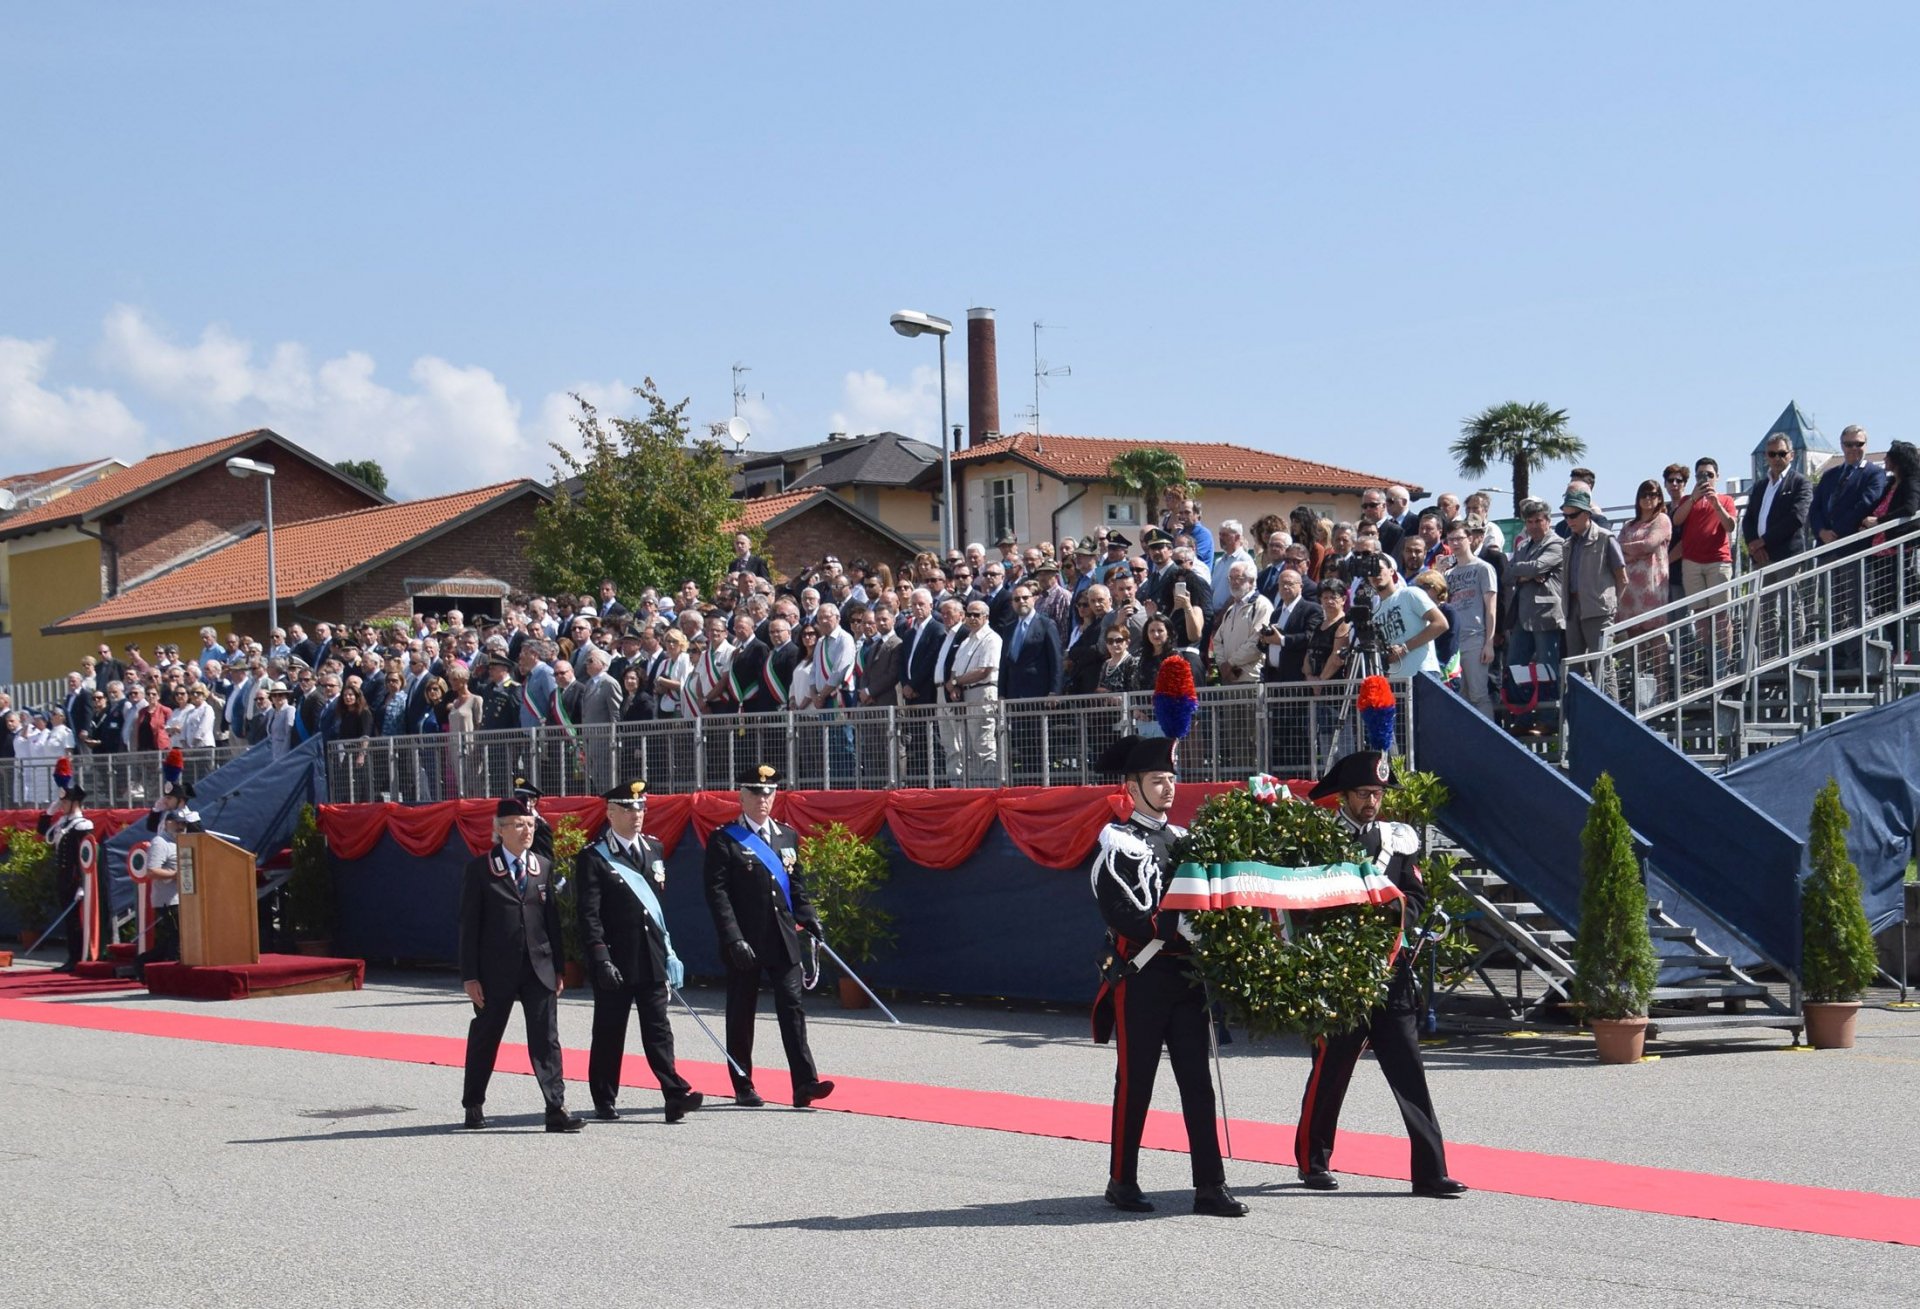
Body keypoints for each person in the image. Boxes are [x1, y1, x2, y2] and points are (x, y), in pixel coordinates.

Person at [1295, 751, 1466, 1198]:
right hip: (1341, 975)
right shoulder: (1320, 838)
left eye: (1377, 794)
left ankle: (1431, 1172)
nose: (1373, 802)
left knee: (1410, 1071)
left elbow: (1415, 896)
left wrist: (1394, 915)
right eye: (1364, 794)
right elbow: (1304, 904)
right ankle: (1314, 1161)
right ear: (1344, 797)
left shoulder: (1397, 840)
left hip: (1391, 973)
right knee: (1330, 1071)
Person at [1089, 733, 1246, 1217]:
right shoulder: (1117, 841)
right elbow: (1123, 913)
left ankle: (1210, 1186)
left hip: (1185, 978)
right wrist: (1179, 925)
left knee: (1198, 1083)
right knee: (1136, 1083)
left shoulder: (1182, 841)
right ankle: (1122, 1180)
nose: (1169, 788)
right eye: (1158, 780)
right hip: (1142, 977)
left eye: (1172, 779)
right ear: (1132, 787)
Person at [703, 764, 832, 1108]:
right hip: (745, 941)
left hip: (782, 938)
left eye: (769, 792)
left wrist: (810, 918)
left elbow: (796, 888)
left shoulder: (787, 836)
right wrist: (732, 938)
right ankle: (743, 1083)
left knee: (792, 1008)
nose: (763, 799)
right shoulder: (724, 838)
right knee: (741, 1013)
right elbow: (718, 895)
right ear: (742, 795)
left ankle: (805, 1083)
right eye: (756, 792)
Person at [576, 780, 703, 1122]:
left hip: (650, 956)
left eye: (641, 808)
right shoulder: (593, 857)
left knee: (658, 1027)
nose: (637, 815)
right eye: (629, 809)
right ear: (610, 812)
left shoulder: (654, 848)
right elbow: (589, 915)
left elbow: (654, 910)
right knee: (609, 1031)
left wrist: (667, 953)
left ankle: (674, 1094)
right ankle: (603, 1096)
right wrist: (600, 957)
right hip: (616, 957)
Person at [457, 796, 583, 1132]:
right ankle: (474, 1103)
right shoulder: (481, 868)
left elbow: (551, 921)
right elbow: (469, 927)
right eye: (517, 825)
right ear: (499, 830)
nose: (525, 831)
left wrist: (558, 966)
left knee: (546, 1038)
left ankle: (556, 1107)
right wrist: (470, 975)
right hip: (494, 968)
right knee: (486, 1035)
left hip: (538, 966)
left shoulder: (541, 866)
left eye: (529, 825)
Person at [1559, 489, 1627, 664]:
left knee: (1602, 666)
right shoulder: (1568, 544)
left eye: (1573, 515)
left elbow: (1622, 577)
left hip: (1599, 612)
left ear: (1587, 514)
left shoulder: (1606, 538)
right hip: (1572, 610)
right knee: (1575, 666)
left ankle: (1607, 694)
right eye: (1565, 516)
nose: (1569, 520)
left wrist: (1609, 606)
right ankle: (1579, 693)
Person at [1441, 522, 1498, 714]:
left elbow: (1491, 606)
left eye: (1459, 538)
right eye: (1451, 539)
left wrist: (1489, 643)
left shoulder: (1483, 568)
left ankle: (1490, 738)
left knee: (1478, 694)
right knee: (1461, 696)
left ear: (1470, 539)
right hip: (1455, 641)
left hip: (1475, 637)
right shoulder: (1448, 573)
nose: (1455, 543)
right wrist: (1439, 573)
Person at [42, 783, 97, 972]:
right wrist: (50, 812)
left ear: (74, 802)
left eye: (64, 802)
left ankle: (78, 957)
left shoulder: (82, 825)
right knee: (69, 921)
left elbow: (85, 857)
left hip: (75, 879)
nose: (61, 805)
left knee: (75, 921)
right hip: (64, 878)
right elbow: (42, 832)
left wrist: (82, 883)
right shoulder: (63, 823)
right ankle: (72, 956)